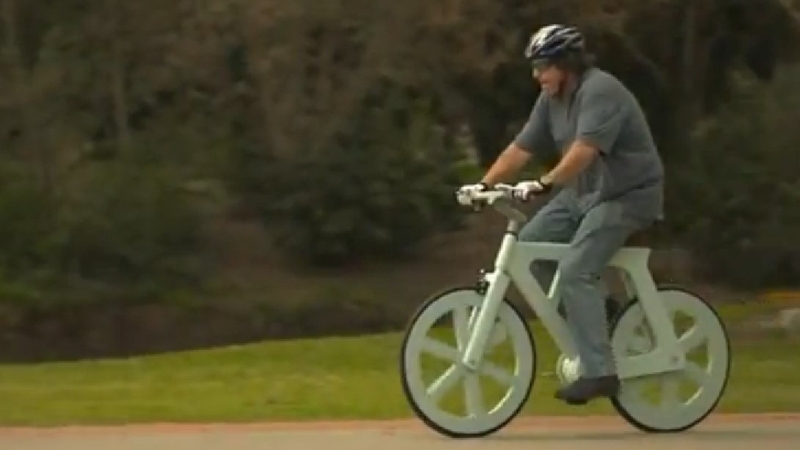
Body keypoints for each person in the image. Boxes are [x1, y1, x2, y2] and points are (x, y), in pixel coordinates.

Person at [460, 24, 665, 405]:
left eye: (544, 67)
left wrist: (545, 182)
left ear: (567, 64)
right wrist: (483, 186)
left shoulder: (600, 91)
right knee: (530, 250)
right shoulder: (550, 99)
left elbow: (585, 151)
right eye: (536, 67)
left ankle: (600, 372)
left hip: (628, 196)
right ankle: (601, 315)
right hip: (585, 193)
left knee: (575, 271)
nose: (537, 76)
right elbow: (518, 150)